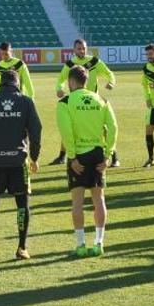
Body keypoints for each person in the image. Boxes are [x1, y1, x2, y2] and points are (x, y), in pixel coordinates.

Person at [0, 69, 42, 259]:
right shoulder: (27, 102)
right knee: (22, 205)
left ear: (1, 83)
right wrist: (34, 157)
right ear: (17, 83)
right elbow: (36, 131)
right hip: (19, 161)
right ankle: (22, 248)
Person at [57, 66, 117, 258]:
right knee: (99, 199)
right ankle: (99, 243)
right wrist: (108, 154)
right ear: (86, 81)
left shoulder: (65, 102)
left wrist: (72, 156)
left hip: (79, 157)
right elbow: (113, 128)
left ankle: (81, 245)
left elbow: (66, 131)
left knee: (77, 202)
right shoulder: (101, 100)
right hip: (98, 154)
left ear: (71, 82)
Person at [52, 39, 116, 166]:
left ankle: (114, 157)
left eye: (84, 48)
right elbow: (60, 79)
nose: (82, 51)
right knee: (69, 127)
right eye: (79, 48)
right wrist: (59, 89)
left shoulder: (94, 61)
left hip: (94, 101)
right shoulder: (70, 64)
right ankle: (62, 156)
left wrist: (111, 82)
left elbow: (109, 73)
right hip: (76, 100)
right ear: (74, 50)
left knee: (105, 128)